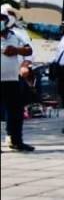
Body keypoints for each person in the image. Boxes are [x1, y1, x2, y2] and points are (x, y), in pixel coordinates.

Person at [1, 13, 35, 152]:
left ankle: (16, 141)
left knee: (16, 112)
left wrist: (16, 50)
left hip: (12, 79)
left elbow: (29, 50)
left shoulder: (15, 35)